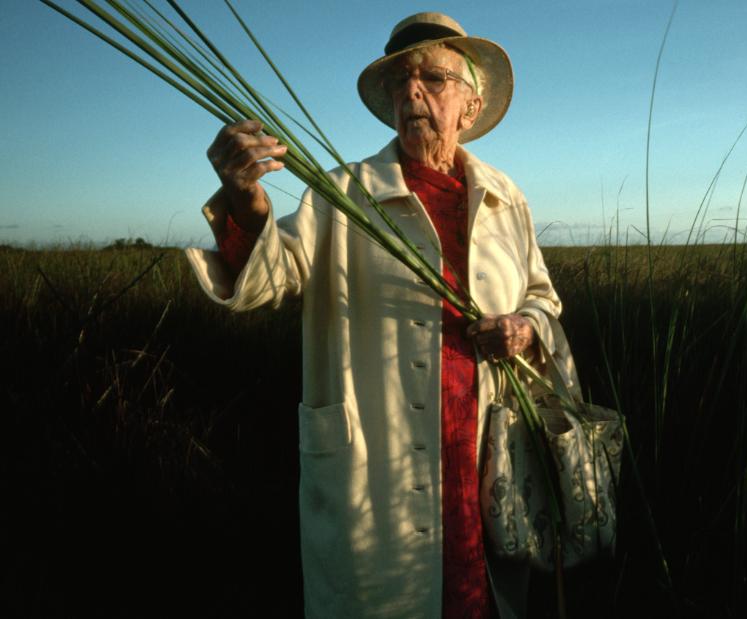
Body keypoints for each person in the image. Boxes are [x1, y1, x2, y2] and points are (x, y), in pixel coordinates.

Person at [183, 12, 574, 619]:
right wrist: (246, 200)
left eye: (433, 78)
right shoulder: (344, 193)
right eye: (401, 81)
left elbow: (543, 299)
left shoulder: (505, 196)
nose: (412, 92)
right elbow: (268, 280)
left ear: (470, 107)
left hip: (480, 458)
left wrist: (525, 327)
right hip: (374, 468)